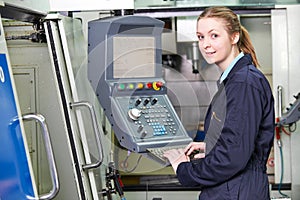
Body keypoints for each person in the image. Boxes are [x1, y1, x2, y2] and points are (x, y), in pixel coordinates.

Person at [163, 6, 274, 200]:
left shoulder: (243, 83)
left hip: (236, 190)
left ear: (234, 37)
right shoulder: (234, 80)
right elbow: (239, 141)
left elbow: (231, 157)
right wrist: (212, 146)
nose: (206, 44)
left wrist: (184, 168)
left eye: (214, 35)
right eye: (200, 37)